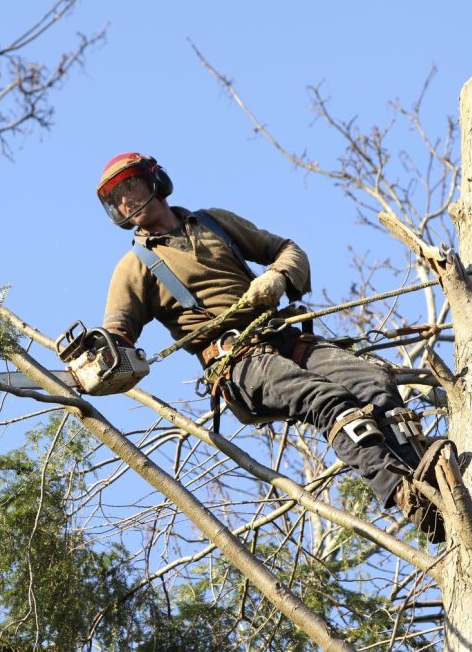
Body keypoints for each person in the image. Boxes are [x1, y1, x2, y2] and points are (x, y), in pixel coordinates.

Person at [95, 152, 448, 543]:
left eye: (129, 188)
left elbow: (287, 248)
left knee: (372, 380)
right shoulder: (135, 266)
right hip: (236, 362)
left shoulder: (213, 221)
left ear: (155, 181)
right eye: (117, 199)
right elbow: (117, 334)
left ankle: (431, 487)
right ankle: (402, 492)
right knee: (325, 398)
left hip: (285, 338)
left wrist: (278, 277)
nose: (126, 202)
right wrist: (95, 363)